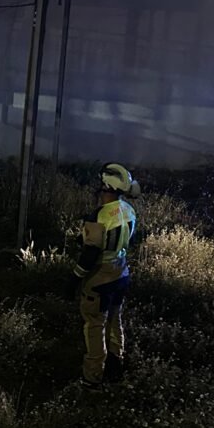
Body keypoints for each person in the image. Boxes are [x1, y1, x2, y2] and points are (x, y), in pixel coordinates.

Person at [70, 163, 140, 389]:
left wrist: (75, 277)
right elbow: (124, 237)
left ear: (107, 188)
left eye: (101, 187)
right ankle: (115, 363)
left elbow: (91, 254)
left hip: (100, 277)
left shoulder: (99, 215)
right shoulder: (128, 209)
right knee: (114, 319)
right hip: (122, 273)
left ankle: (92, 377)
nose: (98, 191)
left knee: (94, 325)